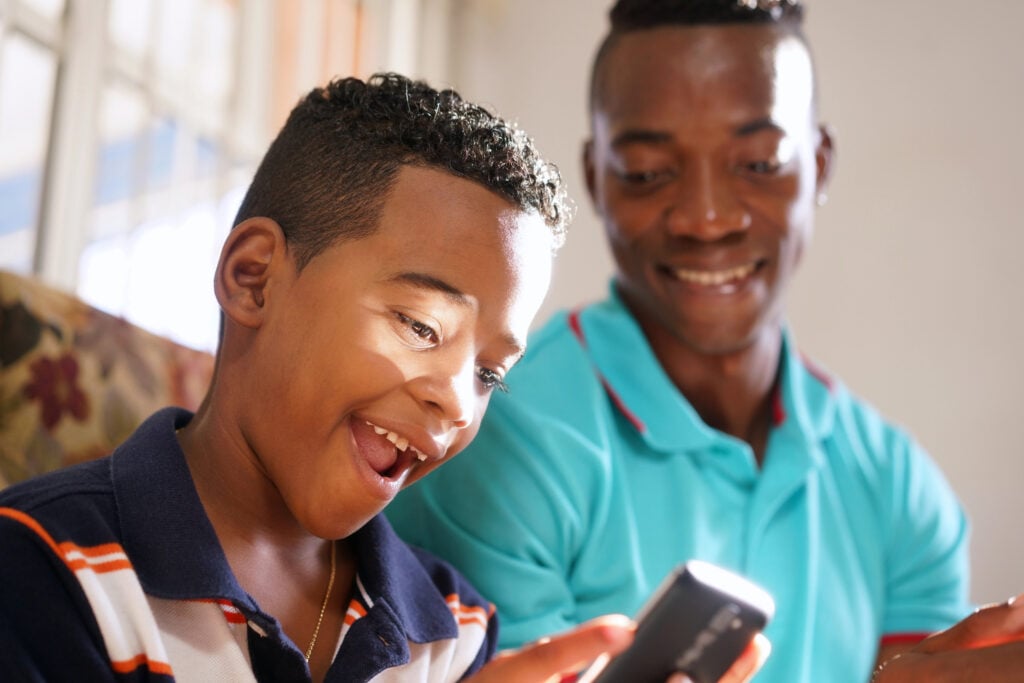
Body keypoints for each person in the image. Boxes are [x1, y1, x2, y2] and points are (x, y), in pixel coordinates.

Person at [0, 73, 765, 682]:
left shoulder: (456, 630)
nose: (455, 399)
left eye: (490, 372)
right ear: (255, 278)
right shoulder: (42, 567)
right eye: (420, 326)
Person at [386, 2, 1024, 682]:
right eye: (647, 171)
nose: (706, 217)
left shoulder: (901, 489)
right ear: (596, 179)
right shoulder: (501, 439)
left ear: (819, 164)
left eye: (760, 163)